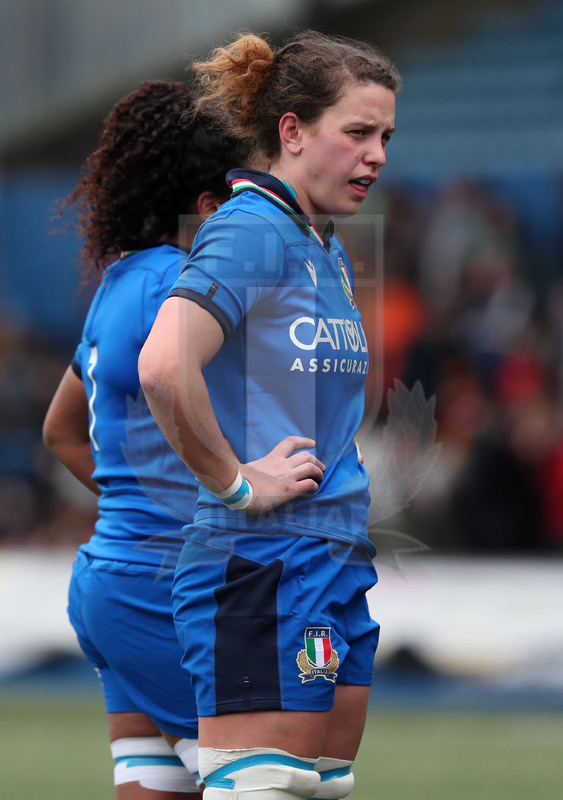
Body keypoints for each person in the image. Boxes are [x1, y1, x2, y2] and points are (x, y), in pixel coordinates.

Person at [139, 31, 400, 800]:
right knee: (262, 789)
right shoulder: (251, 228)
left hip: (332, 559)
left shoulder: (321, 247)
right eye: (356, 133)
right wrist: (235, 484)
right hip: (260, 563)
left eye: (385, 136)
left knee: (319, 787)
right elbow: (163, 364)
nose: (376, 154)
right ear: (290, 131)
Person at [43, 79, 244, 799]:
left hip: (112, 578)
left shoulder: (120, 282)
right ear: (209, 204)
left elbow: (61, 430)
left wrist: (136, 507)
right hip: (171, 590)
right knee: (271, 781)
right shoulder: (184, 289)